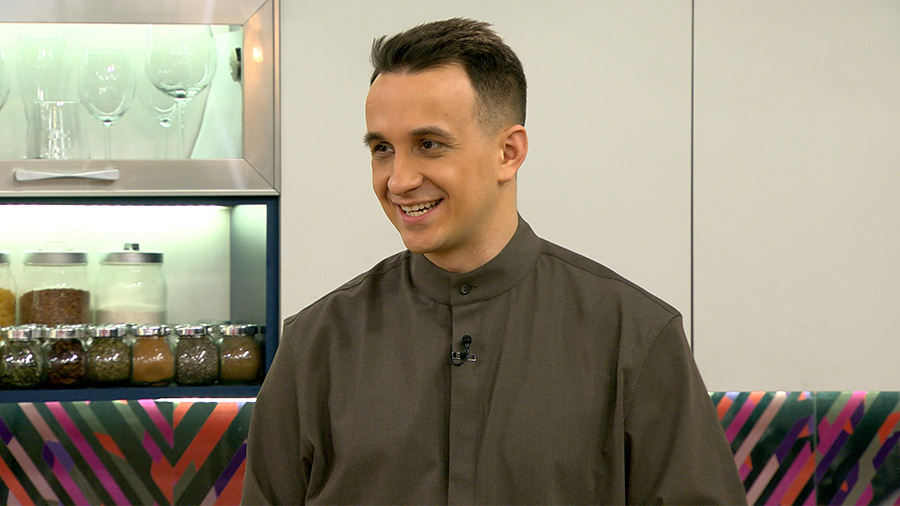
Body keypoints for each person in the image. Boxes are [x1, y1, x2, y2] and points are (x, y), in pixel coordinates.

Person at [242, 17, 747, 505]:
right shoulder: (314, 347)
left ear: (509, 152)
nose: (398, 180)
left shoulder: (635, 338)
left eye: (428, 145)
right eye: (382, 149)